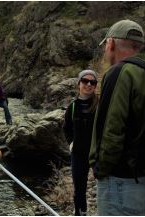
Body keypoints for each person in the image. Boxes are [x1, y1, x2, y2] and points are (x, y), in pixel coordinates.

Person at [89, 19, 145, 215]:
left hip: (121, 181)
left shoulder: (118, 72)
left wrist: (100, 169)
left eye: (106, 46)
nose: (105, 51)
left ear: (111, 43)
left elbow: (111, 130)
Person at [63, 69, 99, 216]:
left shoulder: (100, 105)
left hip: (97, 153)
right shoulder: (72, 107)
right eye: (85, 81)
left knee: (103, 185)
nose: (88, 84)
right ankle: (80, 212)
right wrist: (71, 143)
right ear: (79, 84)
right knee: (79, 188)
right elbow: (67, 128)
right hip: (78, 153)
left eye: (92, 82)